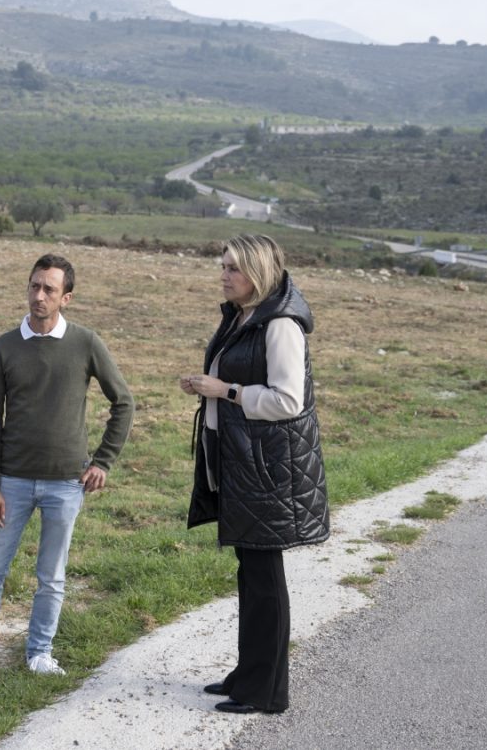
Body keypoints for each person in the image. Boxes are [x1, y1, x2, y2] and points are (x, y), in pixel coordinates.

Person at [0, 254, 134, 678]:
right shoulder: (4, 347)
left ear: (67, 298)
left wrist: (103, 461)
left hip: (67, 482)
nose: (39, 295)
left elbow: (124, 403)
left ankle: (40, 654)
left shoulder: (86, 343)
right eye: (34, 286)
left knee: (52, 576)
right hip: (11, 482)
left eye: (49, 289)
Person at [179, 233, 330, 715]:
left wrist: (225, 390)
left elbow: (288, 401)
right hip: (245, 463)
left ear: (257, 272)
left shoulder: (280, 324)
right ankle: (248, 675)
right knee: (251, 575)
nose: (223, 275)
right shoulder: (243, 315)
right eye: (222, 266)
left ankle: (267, 692)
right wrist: (208, 387)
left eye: (232, 268)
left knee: (264, 579)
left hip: (267, 470)